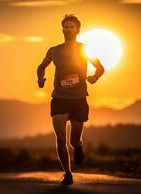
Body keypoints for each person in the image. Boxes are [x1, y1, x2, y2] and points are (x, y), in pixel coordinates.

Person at [37, 14, 105, 185]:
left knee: (74, 140)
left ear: (78, 30)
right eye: (66, 26)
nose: (68, 29)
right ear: (62, 29)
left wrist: (94, 77)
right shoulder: (54, 50)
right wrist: (40, 79)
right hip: (59, 98)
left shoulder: (84, 49)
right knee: (60, 138)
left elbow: (100, 67)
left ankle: (79, 147)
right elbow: (41, 66)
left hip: (79, 99)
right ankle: (68, 173)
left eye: (71, 27)